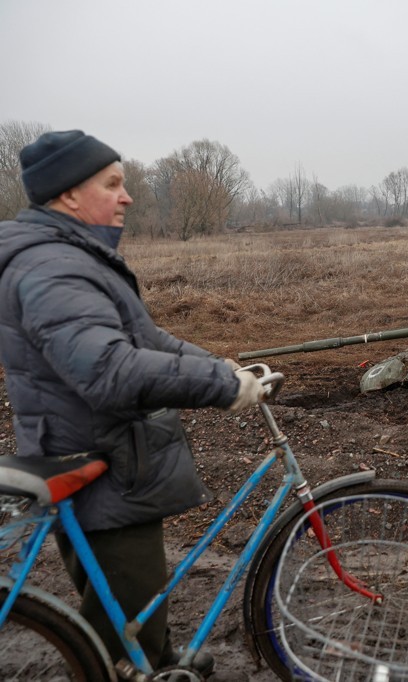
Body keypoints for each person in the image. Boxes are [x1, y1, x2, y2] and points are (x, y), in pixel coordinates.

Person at [0, 130, 265, 676]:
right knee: (124, 621)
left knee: (135, 605)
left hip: (110, 455)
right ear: (70, 195)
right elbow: (109, 369)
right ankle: (139, 667)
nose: (127, 197)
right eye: (113, 184)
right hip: (100, 464)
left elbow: (147, 338)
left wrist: (222, 368)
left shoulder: (75, 257)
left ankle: (158, 660)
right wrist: (220, 388)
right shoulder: (55, 269)